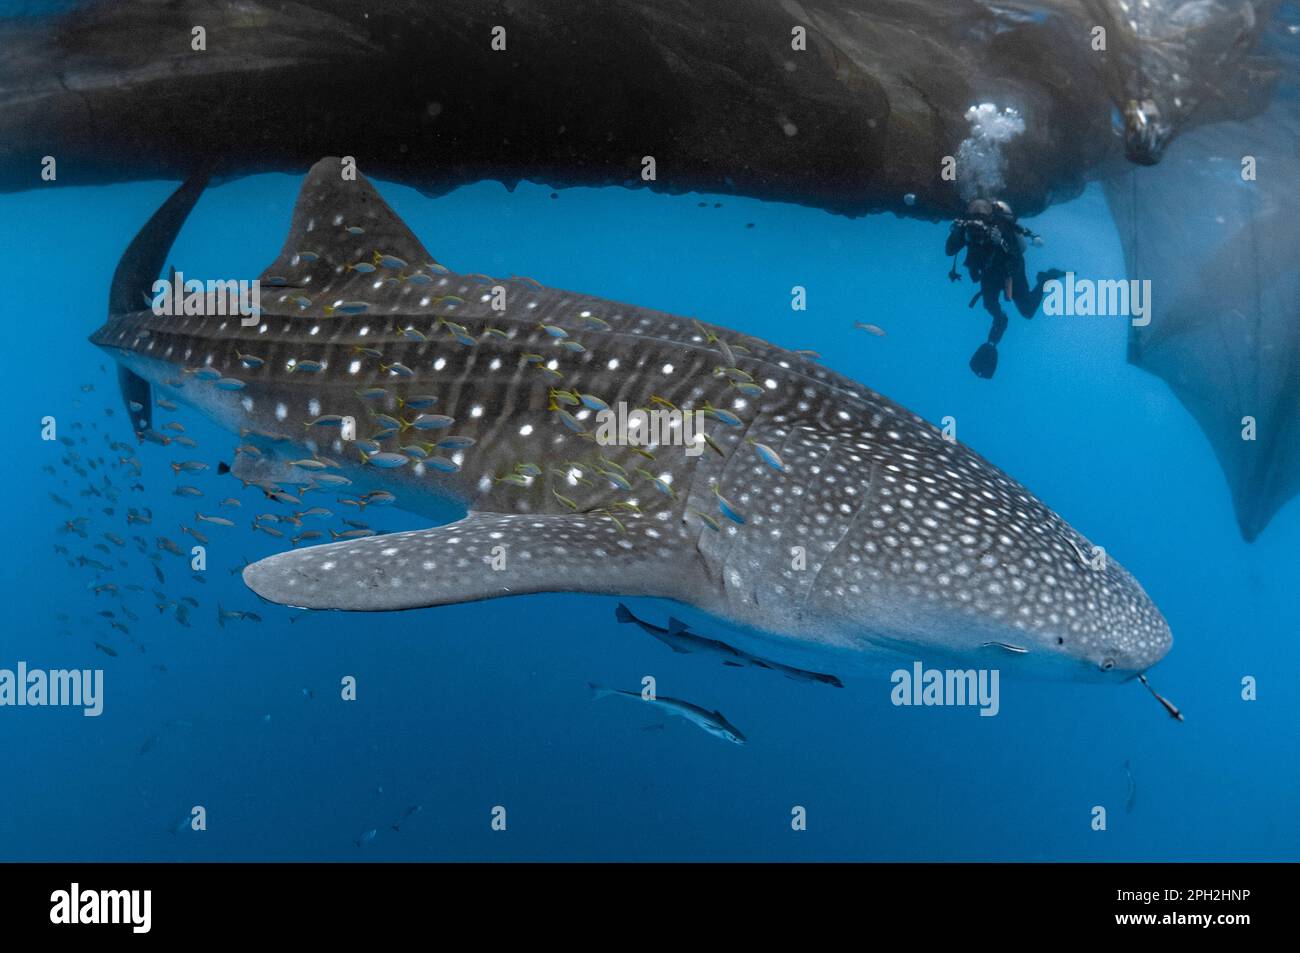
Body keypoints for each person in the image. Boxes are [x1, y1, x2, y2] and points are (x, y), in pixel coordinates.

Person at [945, 199, 1064, 379]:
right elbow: (949, 250)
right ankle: (995, 336)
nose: (978, 226)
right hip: (988, 274)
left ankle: (1045, 279)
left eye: (982, 221)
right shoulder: (966, 228)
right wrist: (957, 232)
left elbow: (1016, 256)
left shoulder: (1001, 227)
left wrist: (1000, 242)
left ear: (991, 218)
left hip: (1010, 272)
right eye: (973, 220)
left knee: (1028, 311)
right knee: (992, 309)